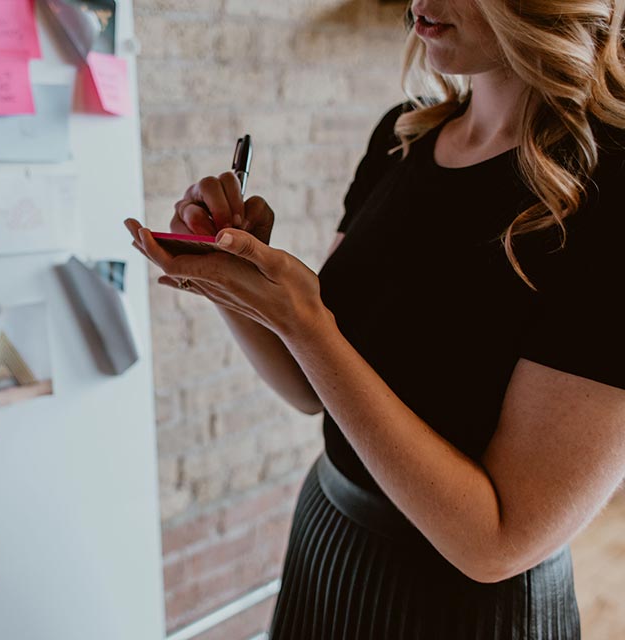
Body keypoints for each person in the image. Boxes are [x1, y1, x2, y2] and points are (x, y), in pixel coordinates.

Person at [125, 0, 625, 637]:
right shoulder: (404, 137)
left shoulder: (610, 190)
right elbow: (312, 390)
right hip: (328, 544)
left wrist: (307, 325)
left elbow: (496, 543)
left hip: (463, 613)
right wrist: (236, 282)